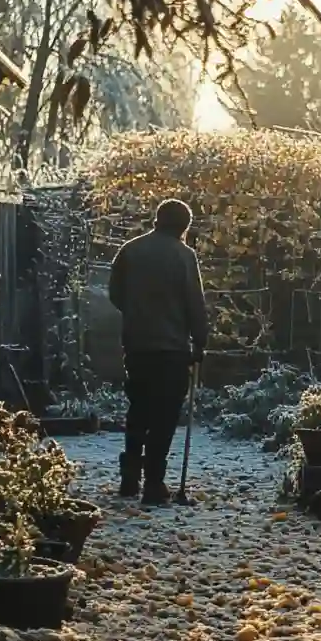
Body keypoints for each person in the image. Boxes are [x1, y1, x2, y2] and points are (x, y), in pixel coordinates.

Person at [107, 198, 209, 505]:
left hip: (137, 344)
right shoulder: (184, 256)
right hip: (172, 348)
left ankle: (129, 477)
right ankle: (153, 482)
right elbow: (194, 301)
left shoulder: (130, 250)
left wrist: (136, 315)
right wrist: (200, 340)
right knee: (164, 415)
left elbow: (115, 293)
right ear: (184, 227)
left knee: (138, 408)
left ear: (157, 220)